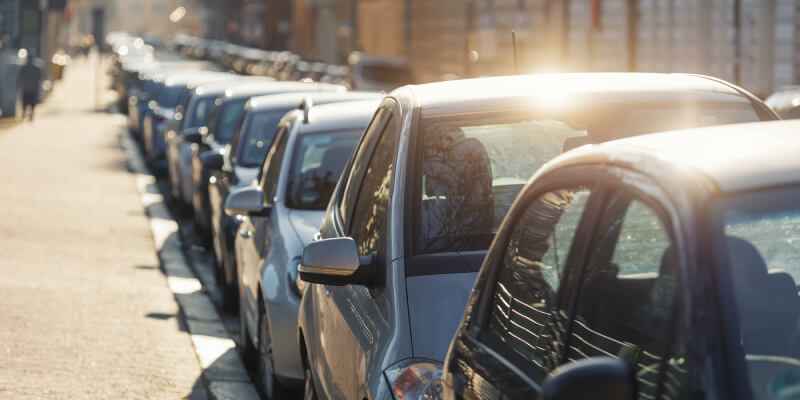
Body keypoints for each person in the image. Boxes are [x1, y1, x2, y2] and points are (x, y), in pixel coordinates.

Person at [18, 52, 42, 122]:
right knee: (32, 102)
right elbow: (39, 78)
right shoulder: (36, 67)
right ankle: (31, 114)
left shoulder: (24, 67)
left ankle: (24, 113)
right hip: (33, 89)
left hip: (26, 88)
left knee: (24, 102)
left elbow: (20, 78)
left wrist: (19, 87)